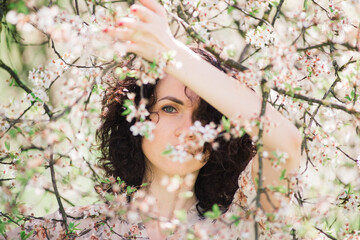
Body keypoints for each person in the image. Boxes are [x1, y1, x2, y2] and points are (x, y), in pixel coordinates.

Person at [3, 0, 301, 239]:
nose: (189, 130)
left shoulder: (240, 228)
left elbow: (285, 142)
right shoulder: (71, 231)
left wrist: (170, 51)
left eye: (206, 118)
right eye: (171, 108)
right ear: (136, 117)